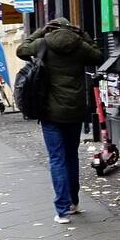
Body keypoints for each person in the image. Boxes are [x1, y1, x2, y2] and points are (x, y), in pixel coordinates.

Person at [17, 17, 104, 223]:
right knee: (71, 156)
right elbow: (98, 56)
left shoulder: (44, 43)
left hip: (50, 112)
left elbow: (21, 49)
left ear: (52, 28)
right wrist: (83, 34)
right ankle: (73, 202)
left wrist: (40, 31)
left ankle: (62, 210)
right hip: (75, 110)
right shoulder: (80, 46)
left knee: (57, 158)